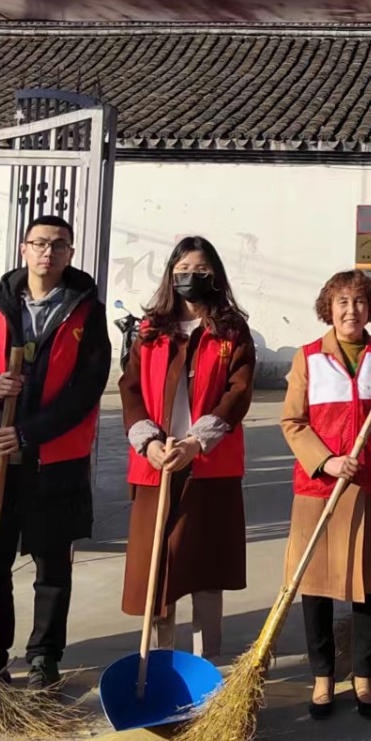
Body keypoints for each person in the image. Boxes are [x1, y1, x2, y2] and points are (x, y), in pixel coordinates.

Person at [0, 214, 110, 689]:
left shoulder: (86, 309)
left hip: (53, 456)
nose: (48, 252)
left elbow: (87, 388)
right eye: (39, 243)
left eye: (58, 245)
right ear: (23, 248)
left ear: (70, 254)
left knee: (52, 566)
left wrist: (30, 432)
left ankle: (44, 657)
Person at [280, 270, 371, 720]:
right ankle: (323, 677)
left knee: (369, 585)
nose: (351, 310)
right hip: (322, 487)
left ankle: (364, 676)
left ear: (370, 308)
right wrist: (326, 461)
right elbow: (292, 422)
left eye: (359, 302)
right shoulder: (309, 357)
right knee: (316, 585)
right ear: (329, 307)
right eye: (342, 302)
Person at [119, 237, 255, 659]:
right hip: (156, 464)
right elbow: (130, 388)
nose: (190, 277)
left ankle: (205, 662)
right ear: (170, 275)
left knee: (204, 570)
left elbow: (238, 391)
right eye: (182, 270)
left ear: (214, 276)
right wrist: (147, 441)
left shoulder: (230, 331)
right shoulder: (150, 330)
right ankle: (159, 660)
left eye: (200, 270)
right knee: (157, 571)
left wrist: (198, 441)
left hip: (209, 466)